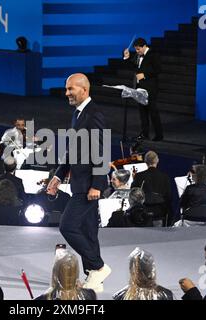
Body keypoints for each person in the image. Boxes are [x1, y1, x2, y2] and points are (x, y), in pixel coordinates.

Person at [47, 73, 110, 293]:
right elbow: (71, 151)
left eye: (70, 89)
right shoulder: (78, 114)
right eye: (66, 89)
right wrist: (58, 175)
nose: (67, 93)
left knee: (68, 226)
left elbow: (102, 152)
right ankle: (94, 278)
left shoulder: (94, 115)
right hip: (80, 182)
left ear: (84, 89)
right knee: (89, 230)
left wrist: (98, 185)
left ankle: (99, 267)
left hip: (88, 185)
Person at [123, 38, 163, 141]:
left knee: (153, 112)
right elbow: (134, 67)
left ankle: (159, 135)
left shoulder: (153, 54)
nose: (137, 51)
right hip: (140, 88)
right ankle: (145, 134)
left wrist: (144, 75)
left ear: (144, 46)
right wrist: (127, 58)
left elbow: (158, 69)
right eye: (136, 49)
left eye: (138, 49)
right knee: (143, 113)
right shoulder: (138, 55)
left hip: (150, 88)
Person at [131, 151, 172, 226]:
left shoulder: (139, 176)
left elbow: (133, 195)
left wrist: (134, 180)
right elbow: (169, 198)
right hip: (159, 213)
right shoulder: (164, 177)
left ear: (145, 161)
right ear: (157, 161)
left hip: (143, 214)